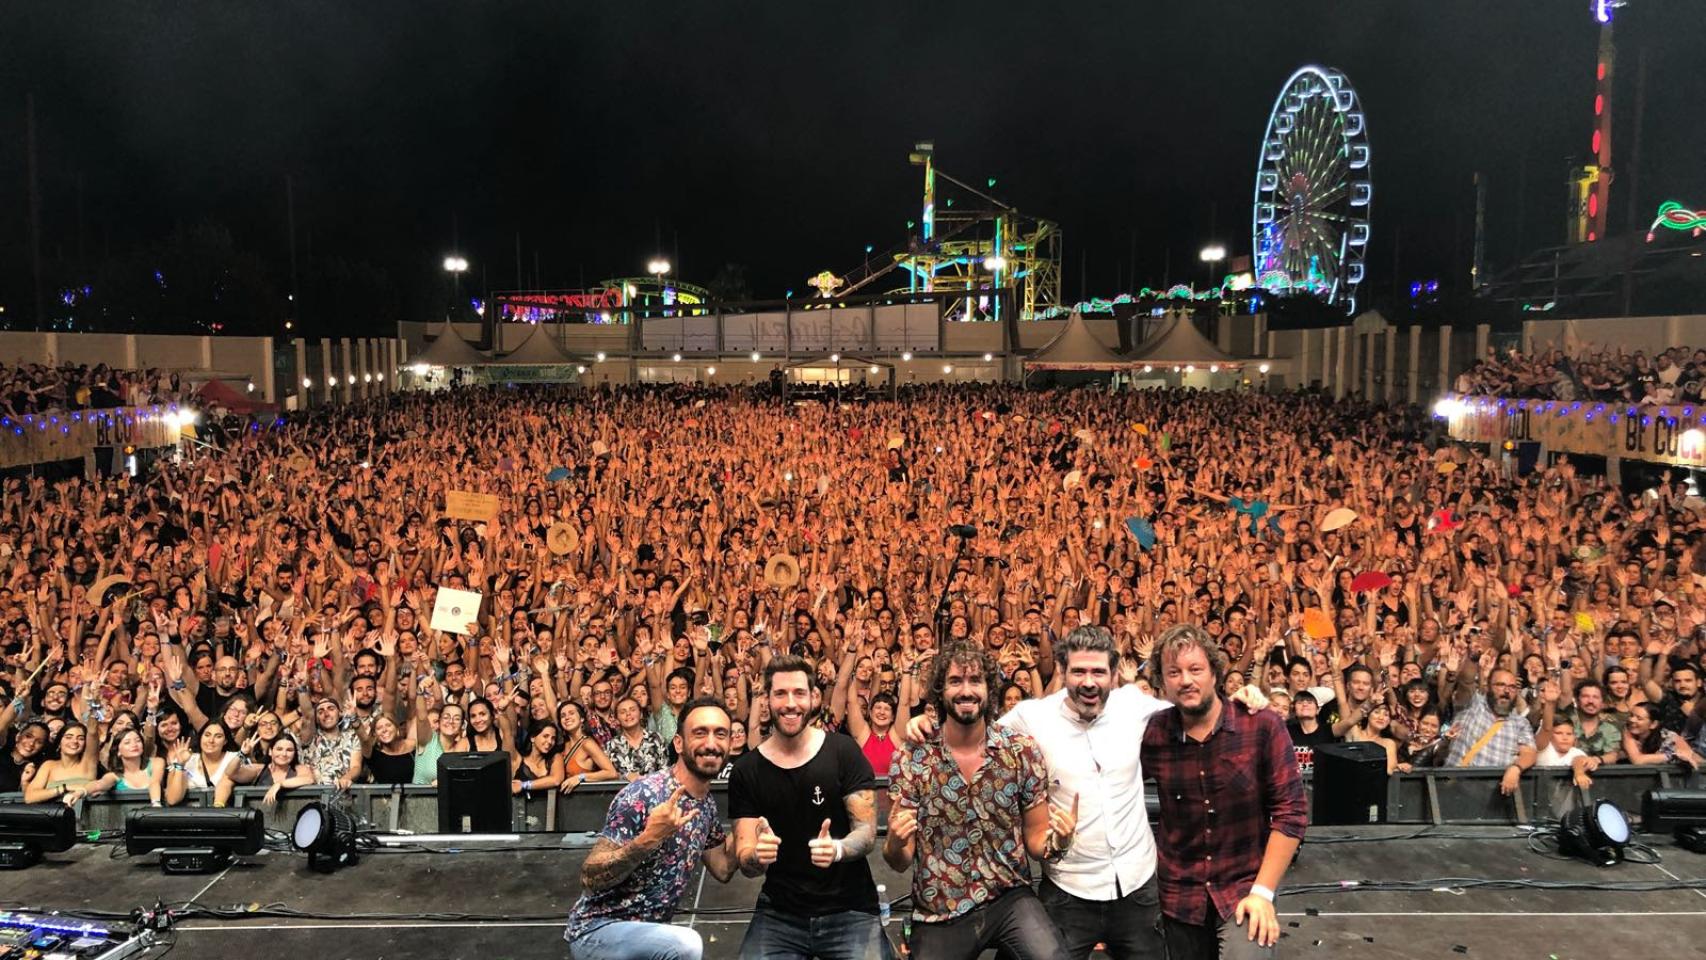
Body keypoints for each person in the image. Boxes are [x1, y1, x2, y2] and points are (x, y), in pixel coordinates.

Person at [883, 641, 1075, 960]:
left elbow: (1038, 841)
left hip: (1009, 897)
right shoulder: (912, 757)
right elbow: (900, 860)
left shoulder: (1020, 751)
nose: (966, 690)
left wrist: (1061, 841)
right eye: (956, 681)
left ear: (989, 688)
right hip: (940, 908)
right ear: (939, 691)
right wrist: (892, 843)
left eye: (975, 681)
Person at [1143, 625, 1306, 960]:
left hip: (1243, 888)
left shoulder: (1260, 724)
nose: (1185, 680)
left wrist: (1263, 893)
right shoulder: (1153, 733)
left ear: (1215, 672)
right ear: (1162, 682)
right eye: (1174, 672)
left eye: (1195, 669)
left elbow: (1291, 813)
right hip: (1178, 895)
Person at [729, 655, 885, 960]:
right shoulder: (747, 770)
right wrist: (757, 858)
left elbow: (866, 833)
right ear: (767, 699)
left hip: (850, 909)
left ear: (814, 697)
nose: (790, 703)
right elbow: (745, 859)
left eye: (799, 693)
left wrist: (838, 849)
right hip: (780, 912)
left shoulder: (843, 751)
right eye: (780, 694)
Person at [561, 696, 739, 960]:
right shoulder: (643, 795)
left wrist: (749, 830)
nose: (711, 743)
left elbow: (722, 868)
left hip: (647, 934)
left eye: (720, 734)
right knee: (686, 945)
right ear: (678, 743)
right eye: (700, 733)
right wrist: (649, 839)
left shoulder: (707, 806)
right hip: (597, 931)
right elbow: (590, 878)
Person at [1443, 651, 1538, 796]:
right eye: (1500, 685)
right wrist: (1473, 656)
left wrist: (1516, 768)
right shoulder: (1472, 705)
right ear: (1488, 687)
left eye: (1512, 687)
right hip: (1454, 791)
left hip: (1492, 796)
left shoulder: (1520, 723)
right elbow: (1466, 682)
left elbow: (1529, 753)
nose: (1506, 691)